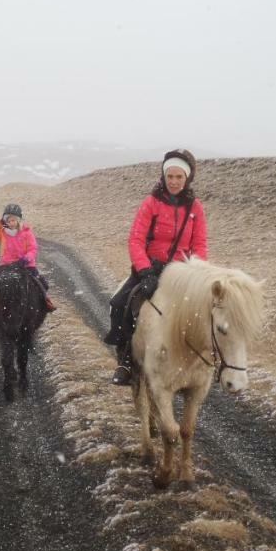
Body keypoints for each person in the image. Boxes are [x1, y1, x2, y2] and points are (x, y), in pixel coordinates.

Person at [103, 149, 208, 385]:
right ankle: (125, 361)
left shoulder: (195, 208)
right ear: (163, 176)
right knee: (120, 304)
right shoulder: (151, 203)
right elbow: (136, 240)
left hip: (181, 274)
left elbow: (199, 244)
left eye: (179, 177)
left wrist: (196, 272)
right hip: (150, 269)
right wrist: (145, 271)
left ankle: (205, 361)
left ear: (187, 178)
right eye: (170, 176)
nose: (173, 181)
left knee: (206, 311)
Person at [0, 203, 56, 312]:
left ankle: (46, 301)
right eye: (8, 221)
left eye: (13, 220)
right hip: (6, 265)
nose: (11, 223)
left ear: (19, 220)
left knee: (42, 283)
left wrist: (26, 260)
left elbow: (33, 249)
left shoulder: (27, 233)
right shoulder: (3, 233)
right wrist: (1, 222)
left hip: (26, 265)